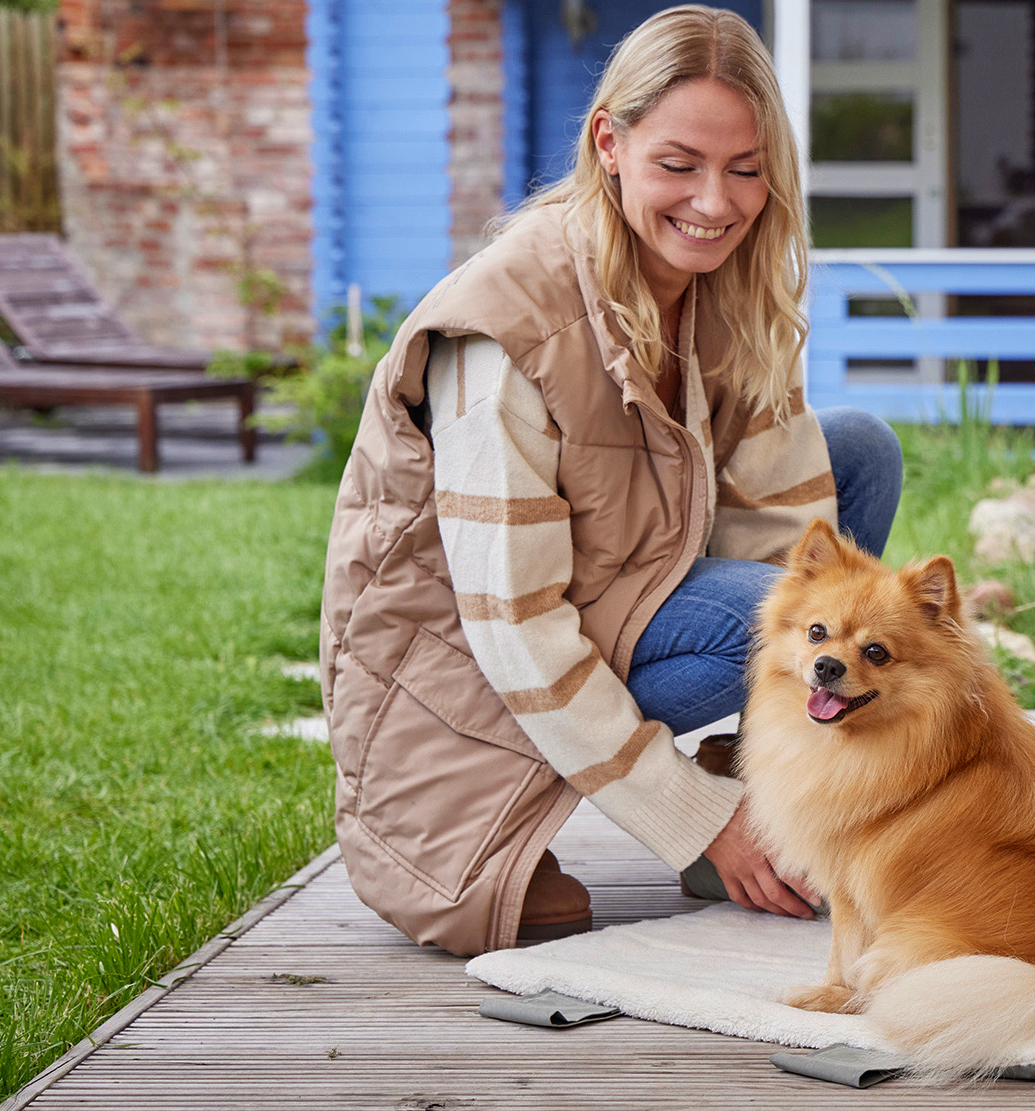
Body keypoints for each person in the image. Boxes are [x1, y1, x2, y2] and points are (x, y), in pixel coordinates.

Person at [318, 4, 903, 956]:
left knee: (858, 458)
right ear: (610, 144)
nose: (716, 202)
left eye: (747, 169)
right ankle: (711, 825)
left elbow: (778, 514)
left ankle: (764, 795)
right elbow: (509, 620)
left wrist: (778, 774)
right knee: (781, 619)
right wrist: (692, 818)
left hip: (611, 582)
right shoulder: (507, 326)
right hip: (465, 678)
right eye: (680, 165)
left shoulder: (731, 278)